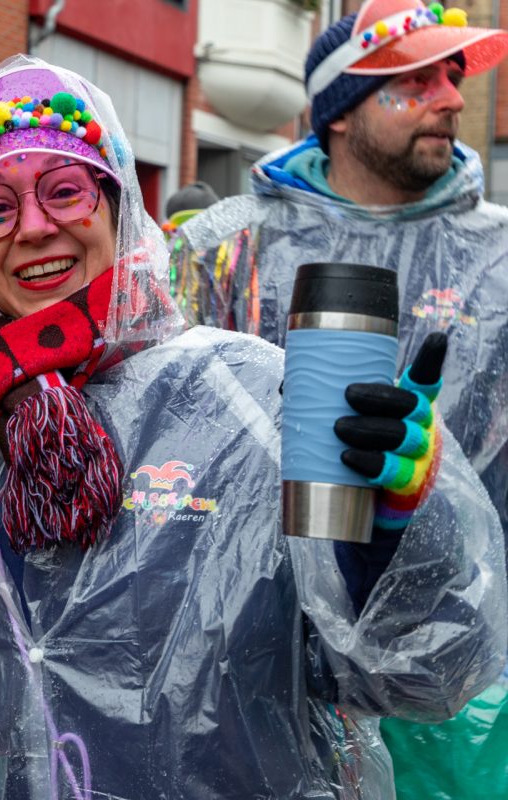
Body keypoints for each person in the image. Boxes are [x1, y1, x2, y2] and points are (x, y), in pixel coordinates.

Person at [0, 54, 505, 799]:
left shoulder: (248, 395)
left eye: (65, 190)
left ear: (117, 203)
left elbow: (417, 673)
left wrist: (398, 528)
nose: (34, 228)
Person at [169, 1, 508, 794]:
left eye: (453, 78)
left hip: (462, 686)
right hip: (262, 665)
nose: (452, 99)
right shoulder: (224, 251)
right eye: (416, 80)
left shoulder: (499, 258)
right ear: (342, 111)